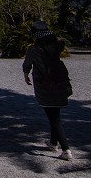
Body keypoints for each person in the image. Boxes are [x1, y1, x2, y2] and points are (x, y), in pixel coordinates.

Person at [22, 21, 73, 160]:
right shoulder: (57, 46)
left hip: (44, 85)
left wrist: (26, 74)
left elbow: (27, 64)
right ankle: (53, 142)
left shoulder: (34, 49)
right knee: (54, 113)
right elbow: (60, 41)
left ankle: (66, 149)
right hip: (60, 82)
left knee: (54, 117)